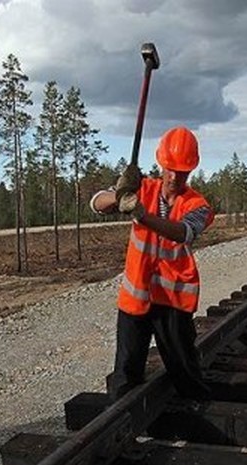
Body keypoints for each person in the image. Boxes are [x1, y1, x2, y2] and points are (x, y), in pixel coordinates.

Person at [91, 126, 215, 402]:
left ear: (191, 170)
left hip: (173, 300)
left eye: (181, 171)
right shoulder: (142, 188)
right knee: (126, 373)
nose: (174, 176)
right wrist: (120, 194)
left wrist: (142, 215)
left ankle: (196, 409)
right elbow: (96, 203)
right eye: (170, 168)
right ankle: (124, 422)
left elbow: (184, 232)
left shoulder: (198, 205)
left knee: (184, 370)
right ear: (161, 164)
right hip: (137, 296)